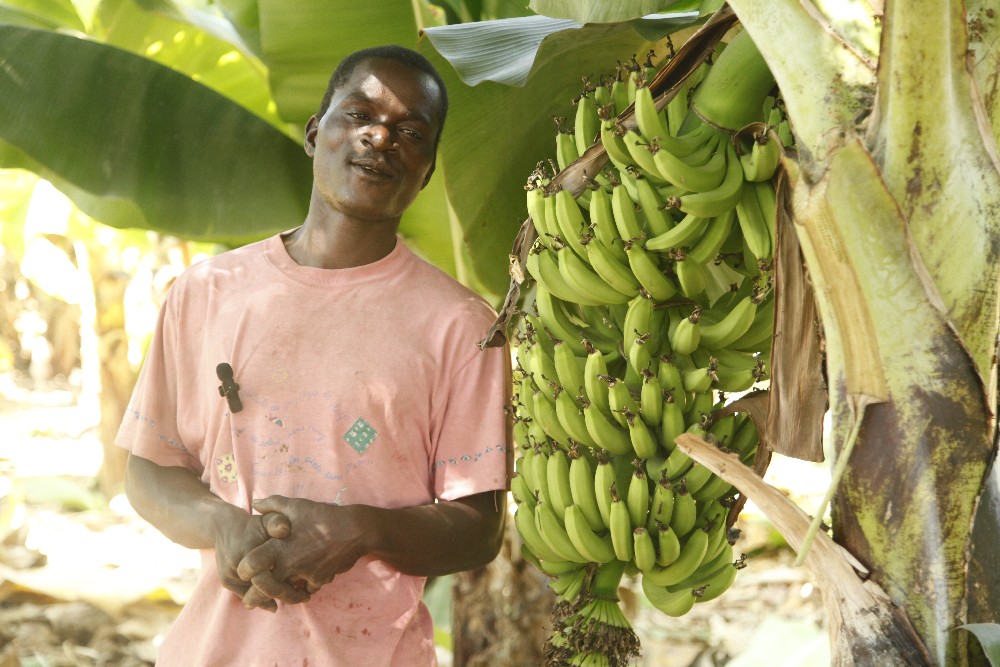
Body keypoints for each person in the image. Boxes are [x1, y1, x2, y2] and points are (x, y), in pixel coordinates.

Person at [117, 45, 512, 666]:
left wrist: (362, 532)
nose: (381, 137)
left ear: (428, 169)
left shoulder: (460, 327)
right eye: (358, 115)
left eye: (411, 132)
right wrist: (223, 526)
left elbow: (478, 528)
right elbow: (148, 470)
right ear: (313, 133)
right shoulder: (206, 293)